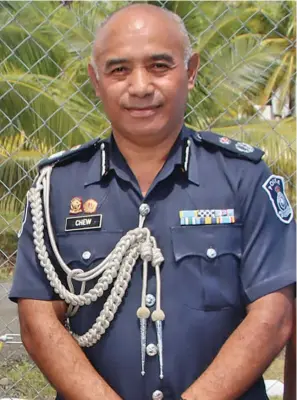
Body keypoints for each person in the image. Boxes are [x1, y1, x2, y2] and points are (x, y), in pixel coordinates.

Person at [9, 4, 295, 400]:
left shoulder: (244, 178)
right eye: (119, 69)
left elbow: (274, 313)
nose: (140, 86)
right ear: (96, 80)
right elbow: (37, 317)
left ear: (191, 71)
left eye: (159, 66)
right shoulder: (57, 187)